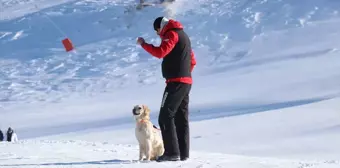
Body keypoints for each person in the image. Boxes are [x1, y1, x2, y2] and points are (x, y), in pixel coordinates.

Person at [137, 16, 196, 162]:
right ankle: (183, 153)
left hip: (176, 82)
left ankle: (171, 153)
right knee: (180, 117)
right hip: (186, 82)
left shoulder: (171, 34)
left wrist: (144, 44)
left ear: (161, 27)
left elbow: (160, 52)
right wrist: (185, 74)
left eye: (157, 30)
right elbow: (193, 61)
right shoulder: (184, 36)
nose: (158, 34)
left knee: (165, 116)